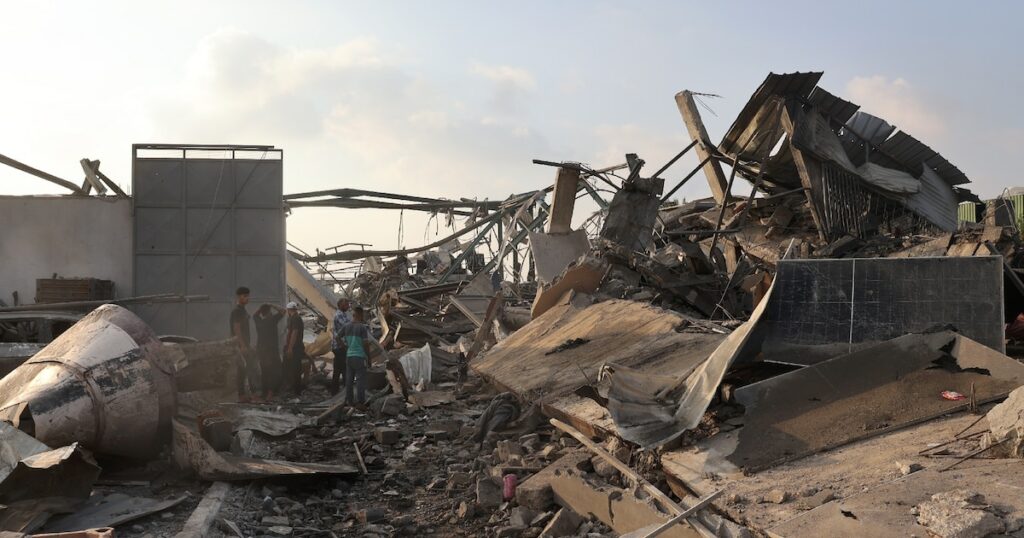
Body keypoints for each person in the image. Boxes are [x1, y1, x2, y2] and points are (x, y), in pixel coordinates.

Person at [338, 306, 373, 406]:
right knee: (360, 381)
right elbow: (366, 344)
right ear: (360, 315)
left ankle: (350, 401)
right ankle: (360, 402)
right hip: (359, 357)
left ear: (353, 315)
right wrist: (369, 358)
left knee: (349, 381)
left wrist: (344, 347)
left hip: (349, 357)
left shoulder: (346, 326)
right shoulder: (362, 327)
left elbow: (337, 337)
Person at [229, 286, 258, 401]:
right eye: (244, 296)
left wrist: (247, 344)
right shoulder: (237, 311)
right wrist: (242, 345)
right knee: (243, 369)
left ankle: (246, 394)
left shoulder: (242, 310)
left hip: (244, 344)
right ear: (238, 297)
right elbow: (236, 328)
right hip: (240, 345)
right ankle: (243, 395)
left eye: (248, 296)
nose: (247, 298)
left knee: (246, 368)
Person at [253, 303, 286, 400]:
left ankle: (264, 392)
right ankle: (270, 393)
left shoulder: (259, 321)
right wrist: (272, 305)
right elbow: (283, 311)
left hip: (261, 351)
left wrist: (261, 308)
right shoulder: (272, 320)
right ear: (269, 313)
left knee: (264, 371)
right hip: (271, 351)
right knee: (274, 371)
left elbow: (255, 315)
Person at [330, 298, 352, 395]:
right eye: (346, 304)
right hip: (340, 346)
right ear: (340, 305)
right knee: (342, 369)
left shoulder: (344, 315)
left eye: (348, 304)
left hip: (341, 346)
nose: (348, 306)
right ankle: (339, 392)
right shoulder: (339, 315)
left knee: (340, 369)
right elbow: (348, 326)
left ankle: (337, 391)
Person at [283, 302, 306, 395]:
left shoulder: (296, 319)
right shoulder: (293, 318)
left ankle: (296, 390)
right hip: (294, 347)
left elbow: (294, 333)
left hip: (295, 348)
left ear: (288, 310)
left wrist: (290, 348)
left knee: (295, 368)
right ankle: (294, 387)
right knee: (290, 367)